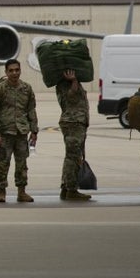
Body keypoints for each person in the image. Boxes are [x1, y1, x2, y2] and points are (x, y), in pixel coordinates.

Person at [0, 59, 38, 203]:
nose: (14, 73)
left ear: (20, 70)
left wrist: (34, 131)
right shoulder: (0, 89)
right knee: (2, 164)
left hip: (21, 132)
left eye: (17, 70)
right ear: (6, 72)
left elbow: (31, 110)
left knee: (22, 164)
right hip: (5, 132)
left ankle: (21, 192)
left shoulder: (26, 89)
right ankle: (1, 191)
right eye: (11, 70)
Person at [56, 68, 91, 202]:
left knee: (72, 156)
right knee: (73, 157)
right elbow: (71, 97)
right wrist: (74, 80)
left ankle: (66, 188)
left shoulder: (69, 82)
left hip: (76, 123)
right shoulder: (65, 83)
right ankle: (71, 190)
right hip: (73, 123)